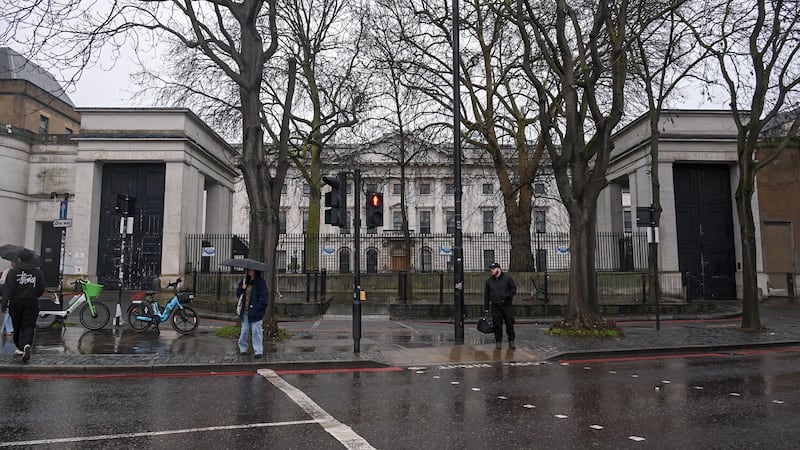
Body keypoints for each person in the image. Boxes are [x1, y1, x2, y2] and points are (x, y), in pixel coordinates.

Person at [2, 250, 45, 362]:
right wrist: (34, 294)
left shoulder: (13, 272)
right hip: (31, 301)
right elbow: (41, 288)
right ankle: (26, 344)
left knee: (17, 324)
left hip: (16, 302)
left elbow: (8, 289)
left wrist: (4, 303)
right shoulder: (37, 272)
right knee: (29, 324)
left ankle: (21, 346)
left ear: (19, 259)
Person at [236, 269, 269, 358]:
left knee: (256, 331)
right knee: (245, 331)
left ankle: (258, 350)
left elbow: (264, 297)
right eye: (248, 270)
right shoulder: (244, 281)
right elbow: (238, 294)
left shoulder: (260, 283)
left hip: (256, 312)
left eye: (251, 270)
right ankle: (243, 348)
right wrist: (242, 288)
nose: (249, 271)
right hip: (245, 312)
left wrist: (258, 308)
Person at [484, 262, 517, 349]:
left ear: (499, 269)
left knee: (509, 323)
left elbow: (513, 289)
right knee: (497, 325)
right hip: (495, 306)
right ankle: (498, 342)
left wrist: (508, 295)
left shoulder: (507, 279)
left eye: (493, 269)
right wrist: (486, 307)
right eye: (491, 269)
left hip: (507, 305)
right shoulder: (489, 281)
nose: (491, 271)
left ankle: (511, 341)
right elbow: (486, 294)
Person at [1, 261, 16, 336]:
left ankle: (8, 329)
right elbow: (2, 281)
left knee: (9, 313)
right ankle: (9, 330)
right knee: (8, 313)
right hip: (10, 294)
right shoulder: (8, 271)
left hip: (13, 294)